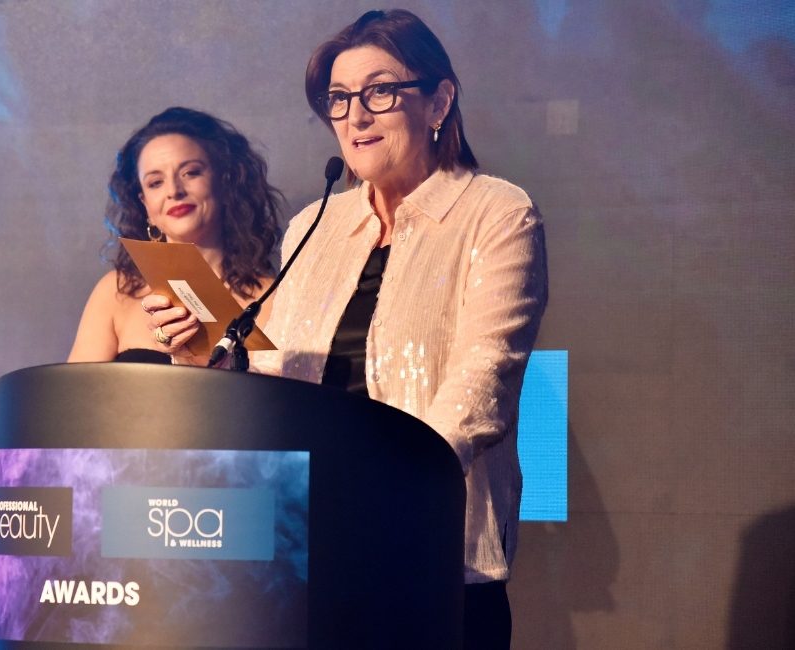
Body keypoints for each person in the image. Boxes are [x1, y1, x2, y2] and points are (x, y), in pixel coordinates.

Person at [146, 10, 547, 647]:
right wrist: (202, 358)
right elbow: (277, 380)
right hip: (311, 557)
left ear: (439, 100)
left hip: (430, 558)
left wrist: (391, 491)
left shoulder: (496, 213)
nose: (355, 116)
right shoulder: (314, 225)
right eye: (338, 98)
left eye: (379, 91)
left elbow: (483, 381)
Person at [67, 107, 283, 363]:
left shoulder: (270, 299)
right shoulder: (115, 292)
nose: (174, 191)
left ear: (225, 182)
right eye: (155, 183)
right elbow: (76, 387)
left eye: (190, 172)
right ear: (144, 204)